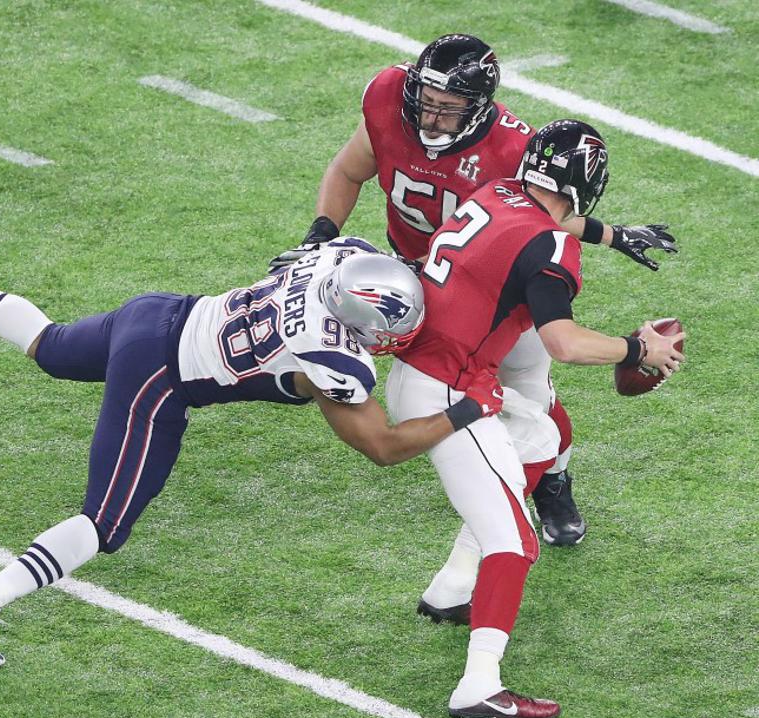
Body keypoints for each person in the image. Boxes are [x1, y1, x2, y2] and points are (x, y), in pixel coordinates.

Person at [0, 236, 505, 668]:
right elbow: (383, 448)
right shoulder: (335, 357)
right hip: (162, 376)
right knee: (103, 523)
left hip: (162, 313)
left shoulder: (343, 257)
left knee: (51, 347)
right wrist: (469, 407)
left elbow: (303, 261)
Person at [271, 34, 678, 557]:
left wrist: (611, 235)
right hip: (414, 275)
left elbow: (549, 215)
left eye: (448, 107)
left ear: (480, 105)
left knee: (529, 389)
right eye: (426, 100)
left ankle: (553, 481)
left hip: (493, 288)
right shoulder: (389, 97)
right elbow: (349, 169)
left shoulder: (512, 149)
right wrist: (322, 232)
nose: (429, 117)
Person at [384, 119, 685, 718]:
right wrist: (637, 349)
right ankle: (478, 685)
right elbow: (563, 341)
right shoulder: (550, 245)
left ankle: (451, 588)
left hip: (430, 374)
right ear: (587, 184)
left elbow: (545, 223)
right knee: (515, 542)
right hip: (447, 393)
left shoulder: (494, 192)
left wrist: (611, 236)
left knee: (538, 435)